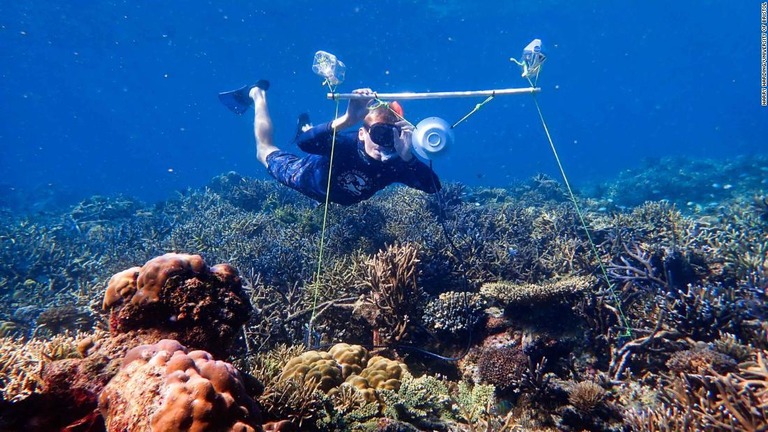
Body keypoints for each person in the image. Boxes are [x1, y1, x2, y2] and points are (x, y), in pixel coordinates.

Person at [219, 80, 441, 205]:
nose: (384, 143)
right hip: (303, 177)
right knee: (264, 150)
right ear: (362, 133)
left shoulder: (396, 165)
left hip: (332, 191)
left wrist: (409, 158)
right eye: (379, 134)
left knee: (312, 136)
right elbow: (304, 145)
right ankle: (257, 94)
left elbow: (433, 187)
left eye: (391, 136)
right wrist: (347, 120)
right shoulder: (345, 145)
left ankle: (305, 124)